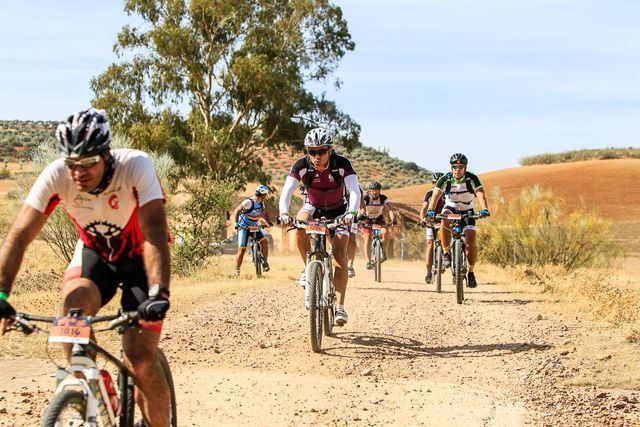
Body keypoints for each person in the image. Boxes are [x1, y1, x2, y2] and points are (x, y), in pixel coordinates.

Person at [0, 108, 172, 426]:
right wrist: (0, 294)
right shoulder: (56, 175)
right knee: (72, 321)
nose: (79, 172)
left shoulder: (135, 166)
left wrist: (158, 291)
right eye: (72, 164)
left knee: (139, 357)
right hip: (95, 256)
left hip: (140, 260)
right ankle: (90, 392)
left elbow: (154, 231)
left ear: (107, 154)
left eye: (89, 162)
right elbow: (19, 236)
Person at [278, 128, 361, 326]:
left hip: (339, 210)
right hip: (313, 207)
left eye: (321, 151)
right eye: (312, 152)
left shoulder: (342, 164)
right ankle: (308, 269)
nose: (317, 156)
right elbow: (287, 191)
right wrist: (283, 213)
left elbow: (355, 190)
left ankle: (340, 308)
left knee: (340, 254)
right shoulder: (301, 165)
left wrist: (352, 213)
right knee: (299, 224)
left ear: (330, 150)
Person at [426, 153, 490, 288]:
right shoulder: (445, 179)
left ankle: (471, 273)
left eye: (460, 167)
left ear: (465, 167)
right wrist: (431, 210)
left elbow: (480, 194)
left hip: (468, 211)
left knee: (471, 240)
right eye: (454, 167)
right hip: (451, 208)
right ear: (451, 167)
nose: (457, 169)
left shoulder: (472, 178)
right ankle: (446, 252)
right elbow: (435, 196)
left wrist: (484, 209)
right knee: (445, 220)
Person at [232, 185, 274, 275]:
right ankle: (237, 270)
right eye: (265, 195)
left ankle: (265, 262)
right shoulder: (249, 202)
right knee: (242, 249)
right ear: (263, 195)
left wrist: (268, 222)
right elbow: (236, 211)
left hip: (254, 227)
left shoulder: (261, 203)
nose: (265, 197)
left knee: (264, 242)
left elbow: (265, 213)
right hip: (243, 227)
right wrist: (236, 224)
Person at [360, 180, 396, 270]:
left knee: (385, 232)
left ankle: (383, 251)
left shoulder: (383, 198)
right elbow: (362, 207)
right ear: (369, 191)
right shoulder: (366, 198)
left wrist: (393, 219)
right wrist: (361, 215)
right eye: (372, 190)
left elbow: (389, 209)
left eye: (376, 190)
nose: (374, 192)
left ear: (379, 190)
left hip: (379, 219)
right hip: (367, 219)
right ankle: (368, 261)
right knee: (367, 237)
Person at [420, 172, 445, 284]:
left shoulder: (448, 193)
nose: (438, 186)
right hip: (431, 222)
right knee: (430, 244)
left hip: (445, 222)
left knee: (448, 241)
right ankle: (429, 272)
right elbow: (424, 207)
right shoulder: (429, 194)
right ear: (433, 184)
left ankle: (454, 265)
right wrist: (422, 218)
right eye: (436, 183)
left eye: (441, 183)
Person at [347, 186, 365, 278]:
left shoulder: (357, 186)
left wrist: (361, 215)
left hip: (351, 214)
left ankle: (350, 265)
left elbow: (362, 206)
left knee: (351, 239)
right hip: (336, 212)